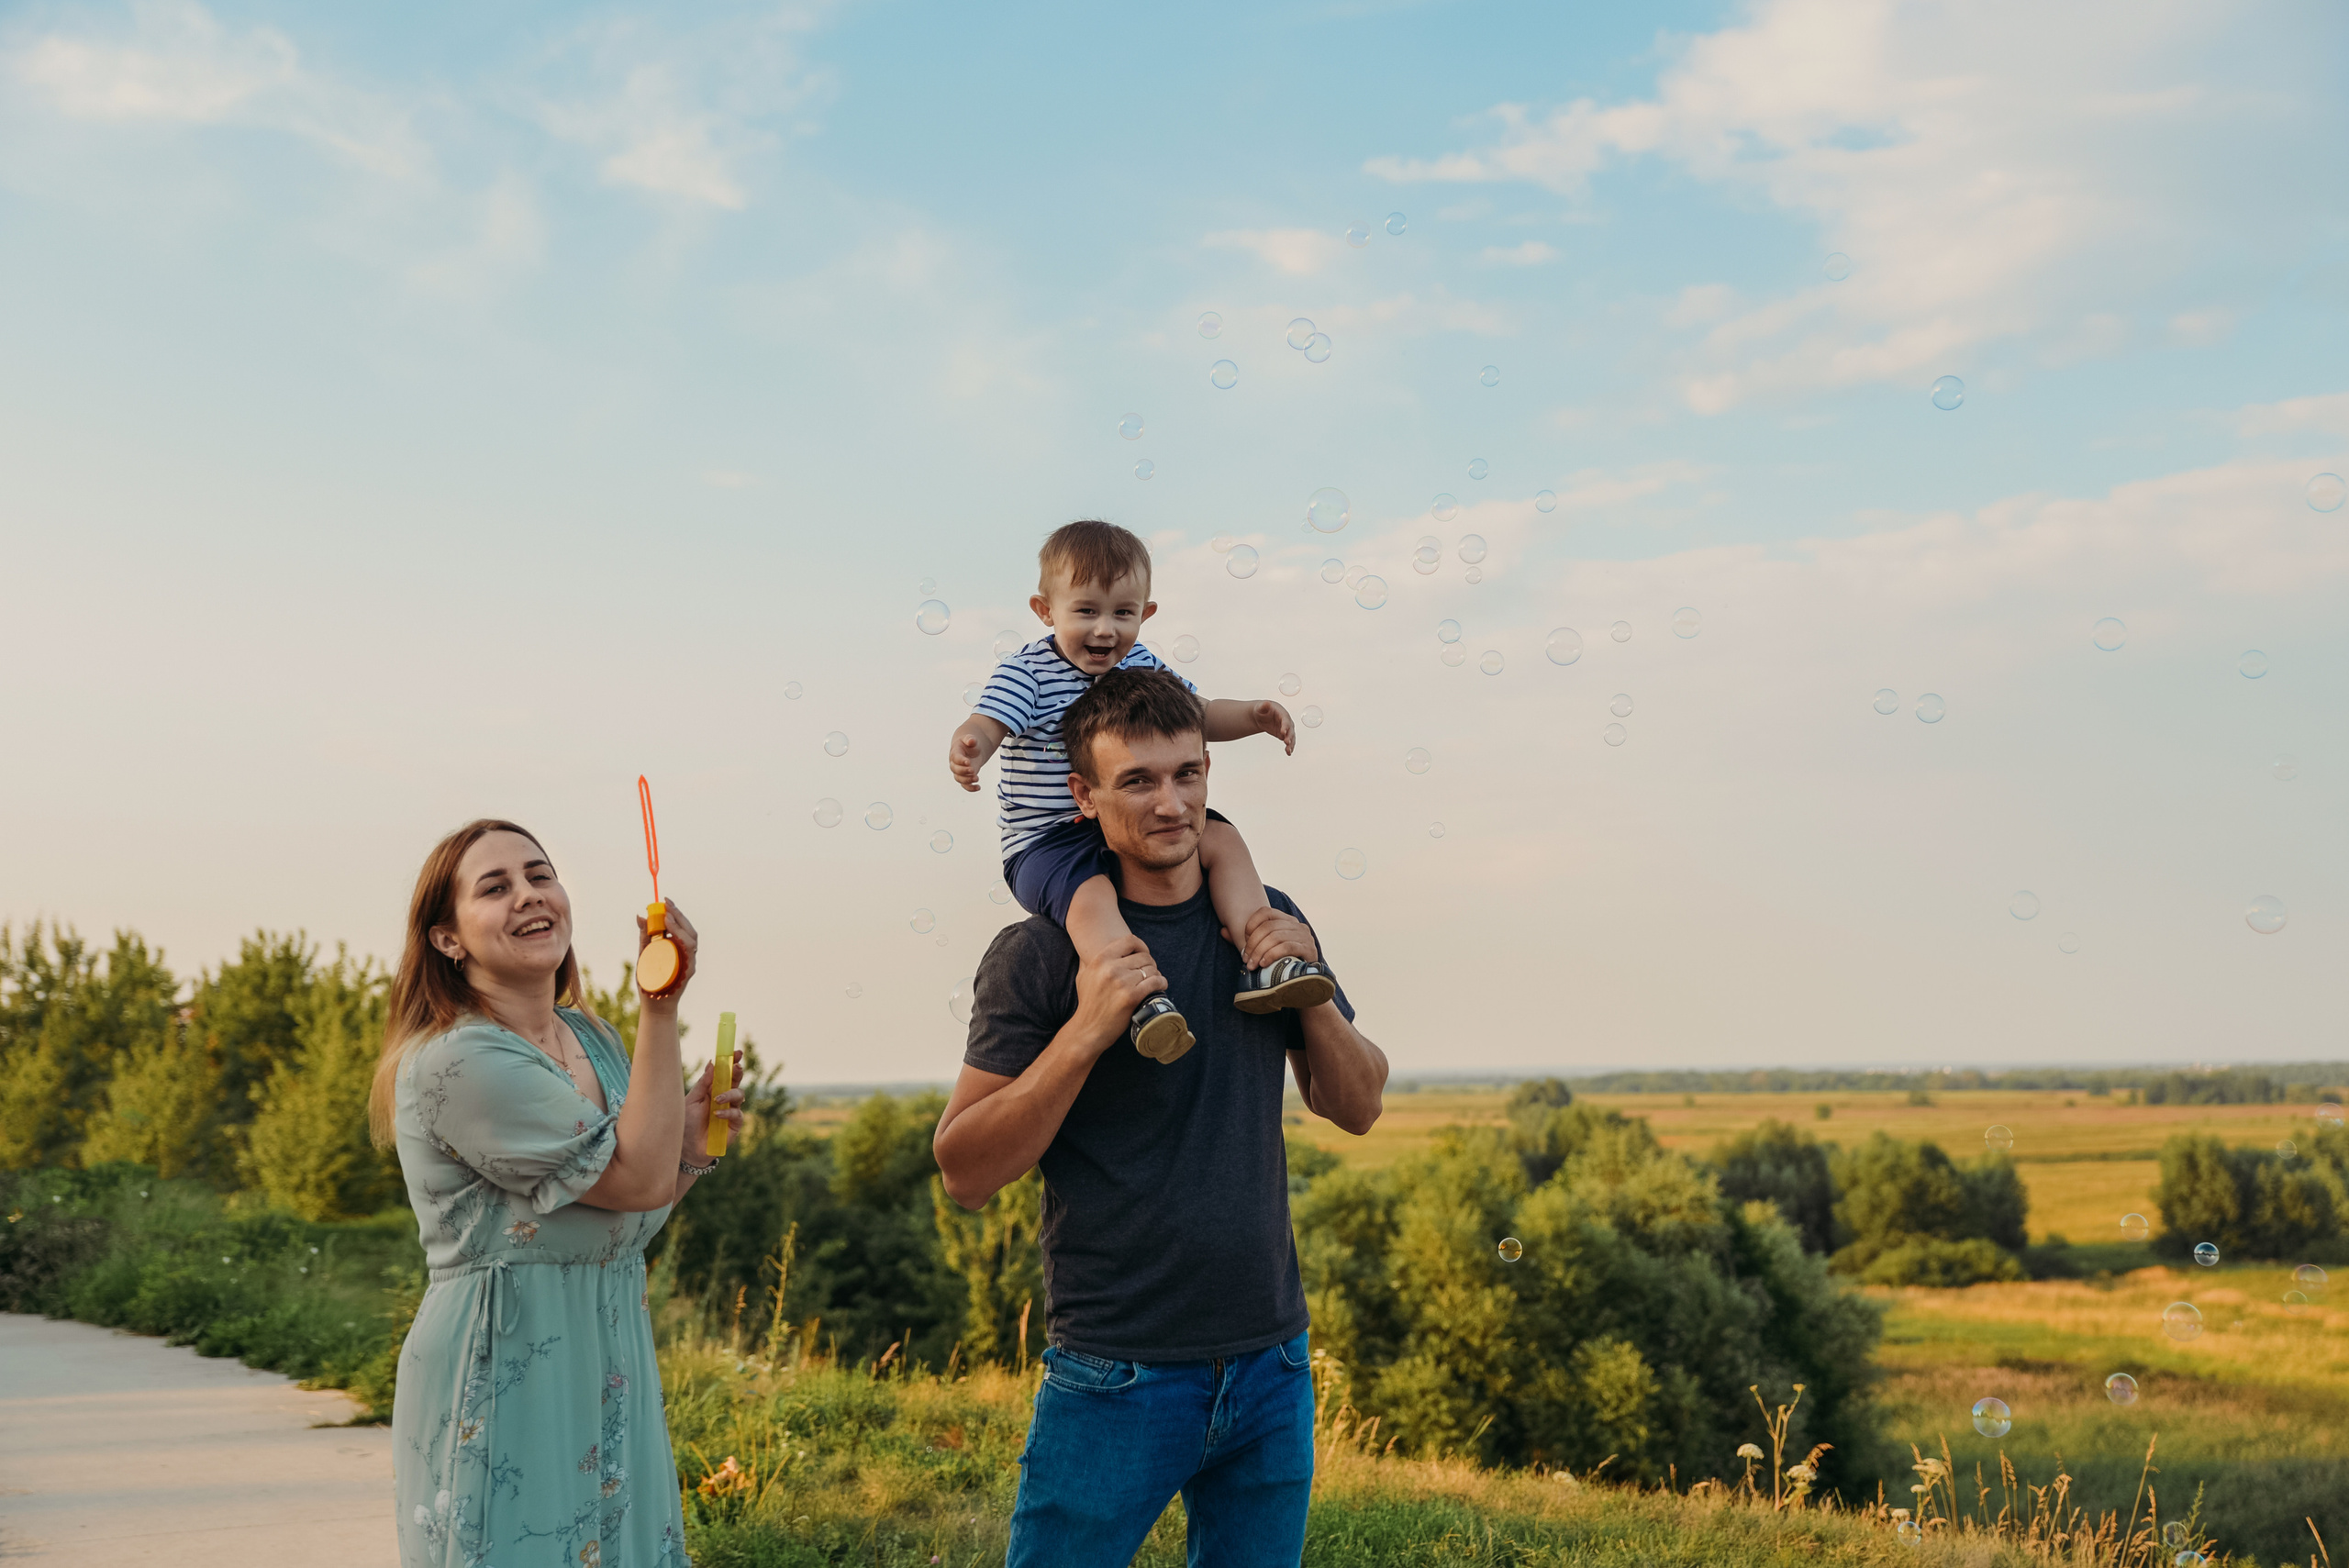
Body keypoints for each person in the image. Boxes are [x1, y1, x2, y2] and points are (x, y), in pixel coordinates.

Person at [933, 670, 1389, 1567]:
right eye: (1137, 780)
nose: (1171, 802)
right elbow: (966, 1170)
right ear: (1084, 795)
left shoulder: (1266, 920)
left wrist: (1316, 994)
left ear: (1210, 770)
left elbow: (1358, 1104)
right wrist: (1085, 1031)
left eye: (1187, 773)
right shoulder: (1037, 954)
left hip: (1272, 1363)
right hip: (1116, 1370)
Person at [368, 818, 742, 1568]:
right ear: (448, 938)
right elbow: (634, 1176)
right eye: (495, 886)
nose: (529, 896)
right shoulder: (460, 1059)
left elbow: (625, 1216)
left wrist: (689, 1156)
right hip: (508, 1370)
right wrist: (660, 1006)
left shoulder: (592, 1039)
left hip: (606, 1356)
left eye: (540, 875)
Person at [948, 519, 1336, 1065]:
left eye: (1122, 613)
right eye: (1086, 611)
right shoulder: (1027, 673)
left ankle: (1263, 960)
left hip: (1125, 823)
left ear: (1146, 614)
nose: (1105, 629)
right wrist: (971, 747)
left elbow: (1197, 715)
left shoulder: (1140, 664)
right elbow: (990, 722)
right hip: (1049, 840)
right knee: (1092, 899)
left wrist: (1252, 715)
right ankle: (1140, 1001)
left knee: (1223, 841)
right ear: (1044, 610)